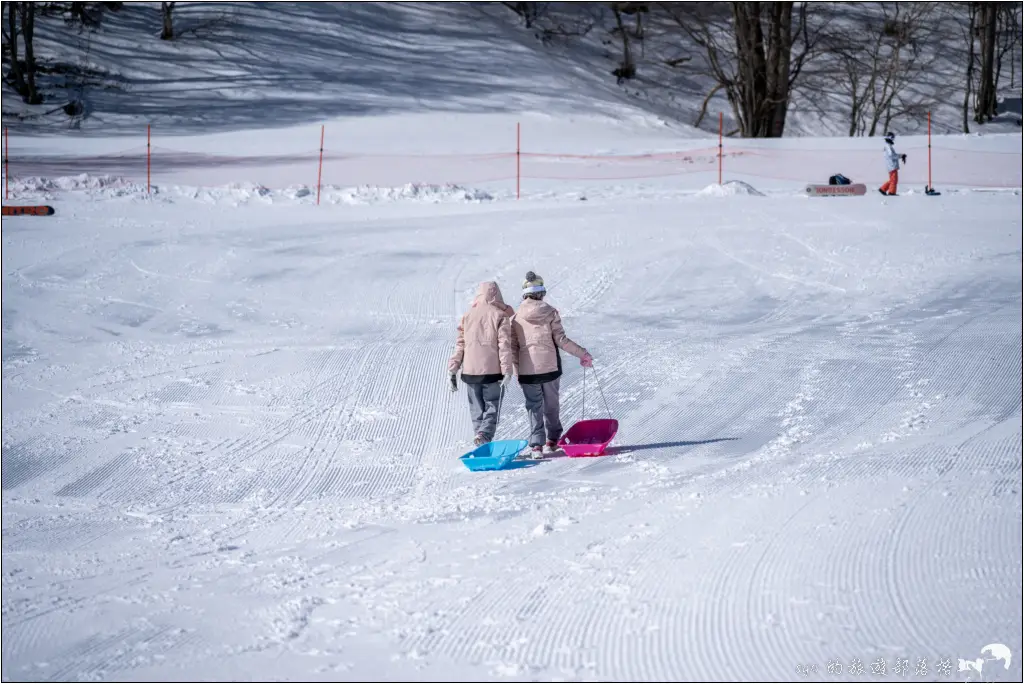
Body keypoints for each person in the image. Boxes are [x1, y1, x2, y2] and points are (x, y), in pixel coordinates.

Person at [510, 271, 593, 456]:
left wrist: (517, 372)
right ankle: (553, 439)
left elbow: (513, 349)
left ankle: (536, 445)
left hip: (527, 371)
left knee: (534, 406)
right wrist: (583, 354)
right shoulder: (550, 312)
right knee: (551, 404)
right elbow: (561, 340)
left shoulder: (515, 318)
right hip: (550, 367)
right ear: (542, 293)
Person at [448, 281, 516, 446]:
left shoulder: (468, 316)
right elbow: (504, 345)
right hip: (492, 371)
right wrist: (507, 370)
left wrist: (453, 368)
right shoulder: (500, 315)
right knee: (492, 405)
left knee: (476, 408)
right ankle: (484, 435)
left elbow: (460, 344)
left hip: (470, 372)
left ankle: (480, 440)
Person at [879, 131, 907, 196]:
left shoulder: (888, 146)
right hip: (892, 165)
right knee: (894, 180)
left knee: (892, 179)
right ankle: (891, 192)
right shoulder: (888, 146)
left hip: (891, 165)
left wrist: (901, 155)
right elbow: (892, 155)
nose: (893, 139)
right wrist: (901, 156)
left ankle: (883, 189)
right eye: (893, 138)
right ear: (890, 138)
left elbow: (892, 155)